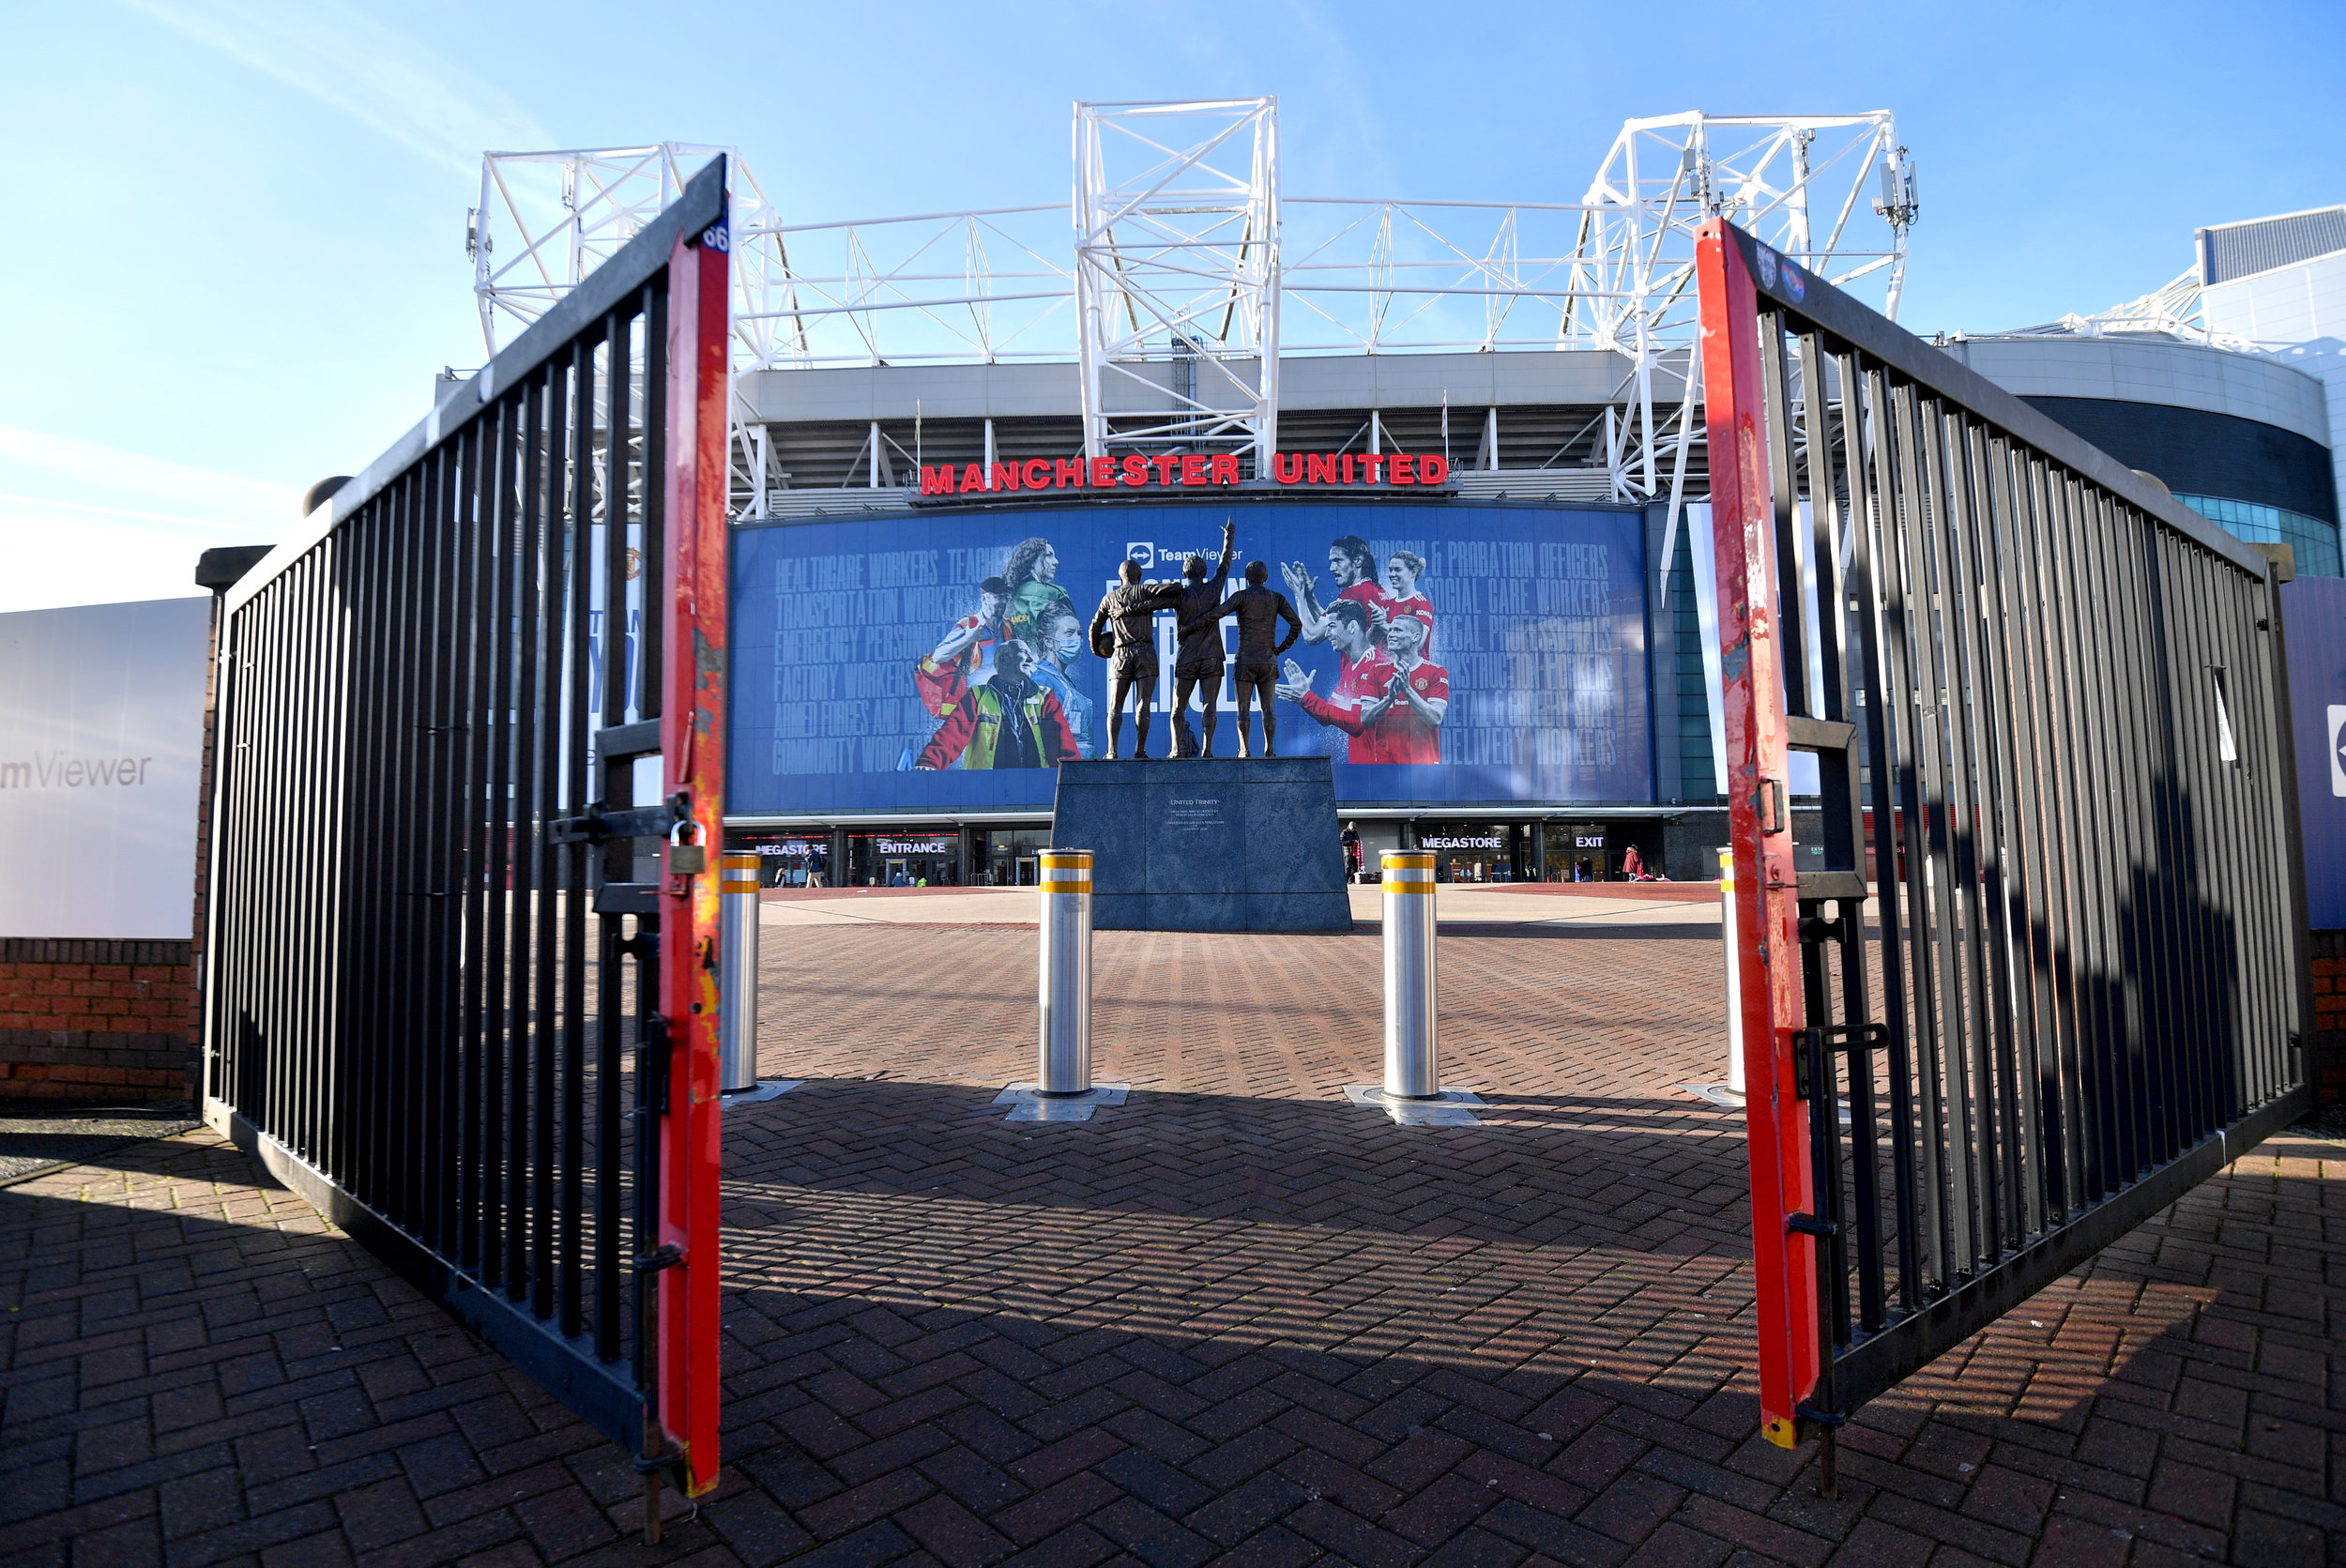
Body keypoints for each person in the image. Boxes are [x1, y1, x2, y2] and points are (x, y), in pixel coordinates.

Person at [1182, 556, 1302, 758]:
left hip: (1245, 661)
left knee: (1243, 710)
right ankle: (1269, 749)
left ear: (1247, 577)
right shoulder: (1276, 598)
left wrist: (1191, 626)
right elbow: (1296, 624)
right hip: (1267, 661)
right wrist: (1280, 648)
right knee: (1268, 710)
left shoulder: (1241, 597)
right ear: (1265, 577)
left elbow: (1216, 613)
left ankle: (1244, 749)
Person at [915, 638, 1082, 769]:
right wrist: (929, 762)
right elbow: (951, 735)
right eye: (1024, 652)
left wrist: (1075, 776)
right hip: (987, 791)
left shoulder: (1044, 697)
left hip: (1034, 788)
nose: (1031, 659)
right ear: (1003, 660)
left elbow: (1063, 745)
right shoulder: (977, 697)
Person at [1275, 600, 1394, 761]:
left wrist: (1307, 697)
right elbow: (1326, 716)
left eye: (1331, 626)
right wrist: (1304, 697)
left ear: (1352, 627)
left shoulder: (1377, 665)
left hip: (1381, 770)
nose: (1326, 634)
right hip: (1362, 767)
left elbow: (1357, 723)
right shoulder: (1350, 669)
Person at [1089, 559, 1185, 759]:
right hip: (1145, 653)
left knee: (1115, 706)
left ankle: (1112, 751)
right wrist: (1145, 603)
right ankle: (1140, 750)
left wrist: (1098, 651)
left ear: (1120, 577)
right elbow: (1176, 588)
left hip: (1120, 655)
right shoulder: (1144, 590)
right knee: (1143, 704)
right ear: (1139, 576)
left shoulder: (1109, 598)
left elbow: (1094, 627)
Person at [1169, 519, 1239, 756]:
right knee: (1210, 704)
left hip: (1187, 657)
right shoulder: (1214, 588)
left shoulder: (1179, 595)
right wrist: (1229, 536)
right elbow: (1225, 563)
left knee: (1177, 708)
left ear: (1184, 572)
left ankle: (1177, 750)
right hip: (1211, 657)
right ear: (1204, 572)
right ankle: (1207, 751)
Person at [1350, 612, 1447, 764]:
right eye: (1390, 630)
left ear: (1415, 637)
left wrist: (1407, 690)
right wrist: (1388, 699)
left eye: (1398, 630)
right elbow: (1365, 719)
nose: (1391, 635)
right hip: (1386, 763)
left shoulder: (1436, 672)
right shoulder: (1377, 671)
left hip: (1423, 765)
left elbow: (1435, 719)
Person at [915, 576, 1011, 719]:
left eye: (1005, 597)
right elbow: (938, 656)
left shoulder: (1008, 627)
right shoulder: (968, 625)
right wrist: (968, 638)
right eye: (998, 597)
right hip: (973, 710)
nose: (1003, 601)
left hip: (1000, 705)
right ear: (984, 599)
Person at [1284, 536, 1393, 648]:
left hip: (1362, 664)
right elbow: (1330, 620)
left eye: (1338, 560)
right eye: (1331, 562)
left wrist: (1298, 595)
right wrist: (1309, 597)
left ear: (1358, 561)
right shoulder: (1377, 589)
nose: (1332, 568)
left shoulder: (1353, 593)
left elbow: (1311, 636)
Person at [1030, 604, 1098, 759]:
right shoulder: (1041, 679)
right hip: (1062, 766)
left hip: (1081, 764)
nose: (1077, 639)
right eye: (1069, 633)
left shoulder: (1071, 684)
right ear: (1049, 642)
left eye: (1079, 634)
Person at [1001, 538, 1075, 649]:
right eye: (1048, 555)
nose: (1056, 562)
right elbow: (1071, 634)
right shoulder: (1056, 593)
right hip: (1046, 661)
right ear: (1032, 560)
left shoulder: (1005, 597)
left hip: (1013, 661)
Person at [1382, 551, 1435, 653]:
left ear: (1413, 572)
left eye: (1397, 570)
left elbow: (1418, 644)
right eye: (1390, 570)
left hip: (1414, 668)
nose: (1392, 574)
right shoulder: (1387, 604)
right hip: (1390, 666)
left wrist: (1383, 625)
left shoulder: (1421, 604)